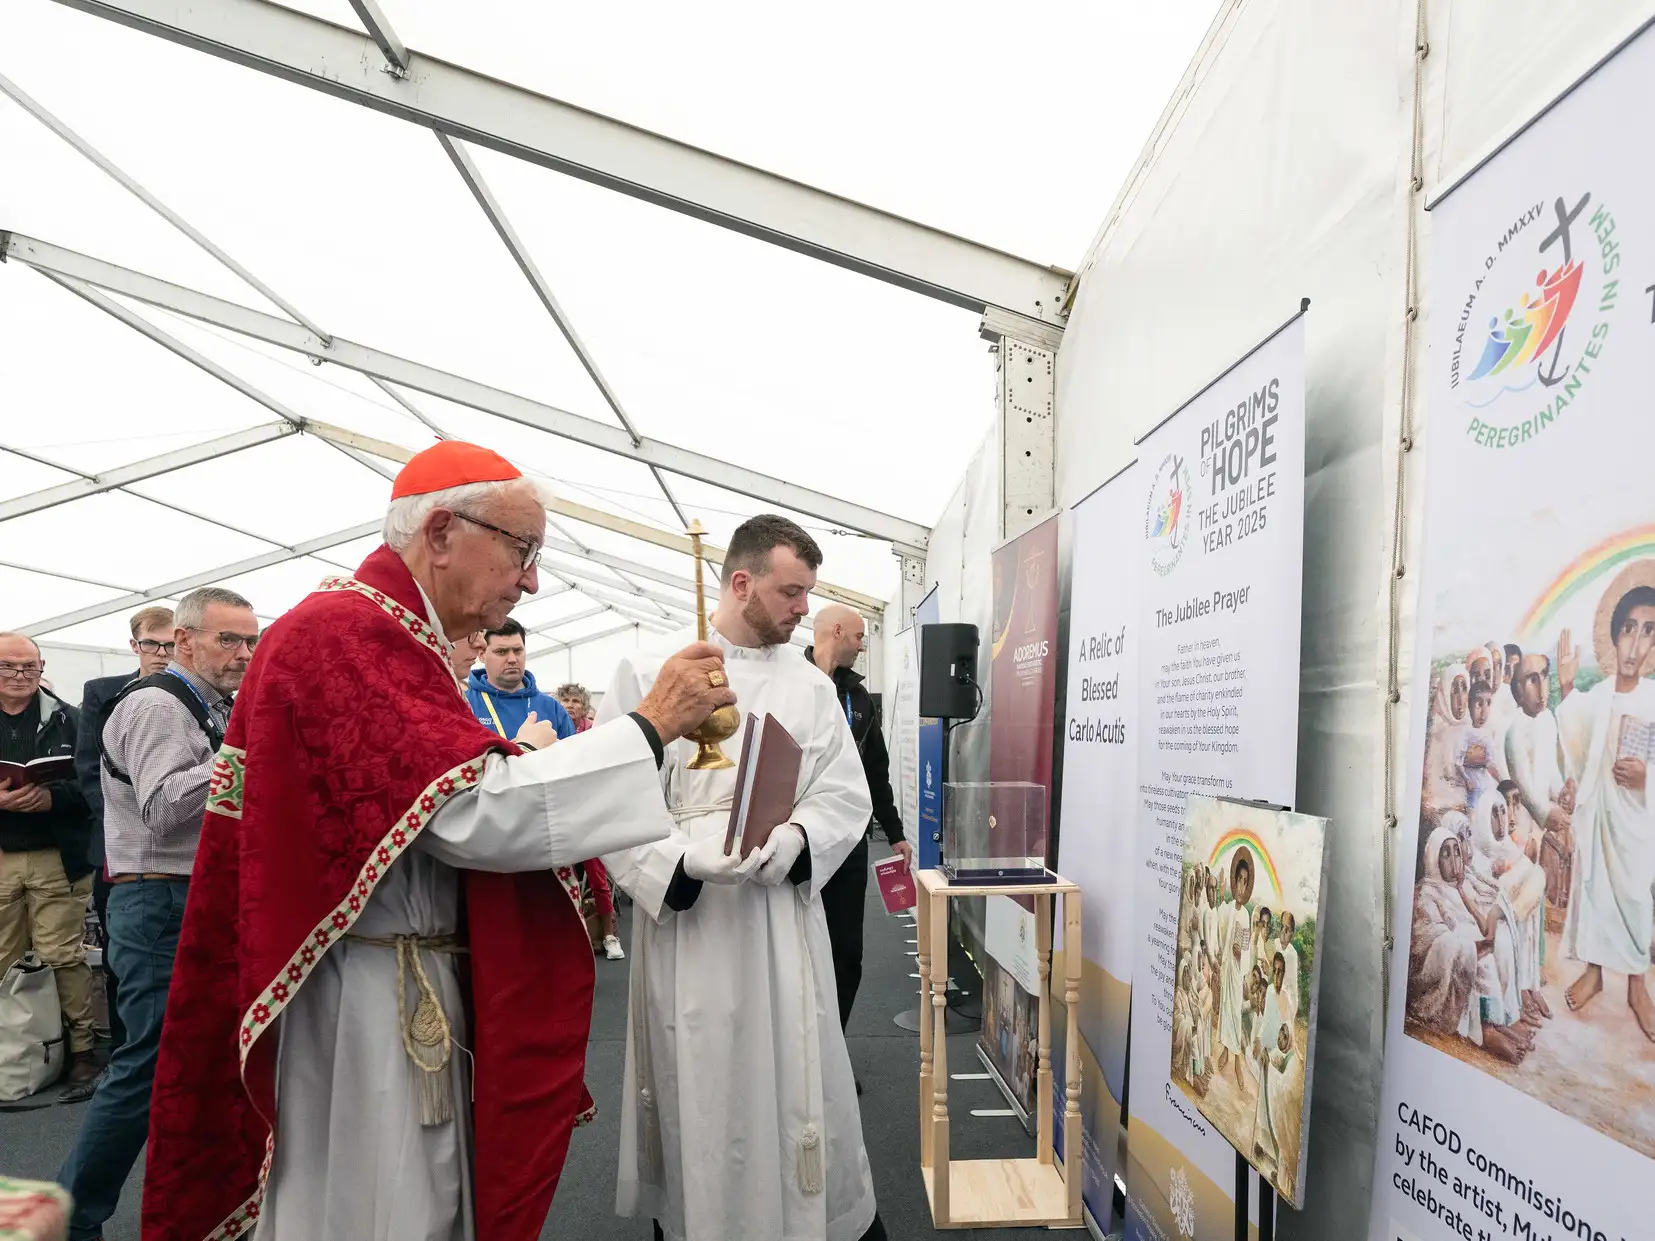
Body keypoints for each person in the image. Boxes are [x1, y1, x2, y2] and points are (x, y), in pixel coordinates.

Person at [139, 442, 735, 1241]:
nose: (530, 580)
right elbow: (470, 815)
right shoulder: (341, 634)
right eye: (523, 552)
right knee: (382, 1206)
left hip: (405, 981)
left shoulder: (391, 637)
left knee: (420, 1198)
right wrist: (649, 725)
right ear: (444, 531)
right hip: (365, 1005)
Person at [600, 514, 884, 1241]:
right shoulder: (648, 672)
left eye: (807, 594)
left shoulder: (811, 686)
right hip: (691, 931)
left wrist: (796, 838)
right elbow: (610, 797)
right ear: (740, 581)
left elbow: (844, 794)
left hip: (776, 923)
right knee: (702, 1078)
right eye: (791, 592)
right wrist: (677, 863)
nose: (802, 609)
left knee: (793, 1073)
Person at [55, 588, 256, 1241]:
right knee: (147, 1064)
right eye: (230, 639)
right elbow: (166, 806)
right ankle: (65, 1214)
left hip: (185, 896)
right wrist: (245, 756)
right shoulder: (156, 705)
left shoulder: (207, 706)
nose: (245, 653)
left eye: (250, 640)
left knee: (193, 1062)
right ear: (186, 641)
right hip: (159, 898)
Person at [71, 605, 176, 1077]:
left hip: (173, 848)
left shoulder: (196, 697)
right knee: (120, 958)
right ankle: (122, 1053)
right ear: (134, 645)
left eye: (171, 645)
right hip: (118, 849)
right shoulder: (104, 692)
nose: (161, 653)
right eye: (152, 643)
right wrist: (125, 824)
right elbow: (88, 768)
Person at [1554, 569, 1655, 1037]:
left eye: (1649, 631)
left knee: (1636, 897)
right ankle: (1594, 972)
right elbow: (1575, 737)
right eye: (1629, 629)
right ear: (1615, 635)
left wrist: (1646, 776)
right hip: (1600, 817)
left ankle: (1637, 983)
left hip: (1638, 824)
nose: (1636, 644)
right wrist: (1569, 686)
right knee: (1594, 894)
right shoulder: (1598, 697)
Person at [806, 603, 911, 1037]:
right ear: (836, 631)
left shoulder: (860, 698)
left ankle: (832, 1052)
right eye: (858, 636)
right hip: (797, 845)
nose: (863, 645)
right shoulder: (791, 684)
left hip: (849, 844)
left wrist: (897, 833)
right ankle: (797, 1061)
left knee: (847, 955)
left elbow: (876, 771)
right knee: (797, 954)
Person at [0, 632, 96, 1091]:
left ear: (42, 667)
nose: (20, 676)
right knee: (3, 959)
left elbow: (94, 788)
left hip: (58, 858)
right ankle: (13, 1050)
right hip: (2, 858)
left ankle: (80, 1050)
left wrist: (50, 800)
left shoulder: (71, 721)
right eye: (8, 667)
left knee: (62, 956)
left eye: (29, 667)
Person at [1407, 825, 1529, 1063]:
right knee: (1476, 957)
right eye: (1445, 854)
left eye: (1456, 852)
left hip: (1465, 954)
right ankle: (1487, 1031)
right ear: (1433, 859)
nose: (1454, 859)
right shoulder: (1426, 893)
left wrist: (1463, 892)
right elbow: (1429, 939)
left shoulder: (1463, 886)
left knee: (1493, 947)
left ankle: (1495, 1021)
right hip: (1435, 978)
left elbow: (1482, 924)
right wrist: (1469, 948)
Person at [465, 618, 576, 740]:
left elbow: (573, 756)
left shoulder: (552, 708)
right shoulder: (465, 704)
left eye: (517, 650)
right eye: (501, 652)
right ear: (482, 655)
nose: (512, 659)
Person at [1215, 848, 1255, 1084]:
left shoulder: (1247, 916)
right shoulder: (1228, 909)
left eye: (1244, 882)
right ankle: (1226, 1052)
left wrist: (1241, 955)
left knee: (1236, 1015)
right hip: (1226, 967)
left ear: (1248, 886)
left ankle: (1238, 1061)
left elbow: (1246, 950)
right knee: (1226, 1010)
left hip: (1237, 971)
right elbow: (1221, 935)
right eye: (1238, 880)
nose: (1240, 886)